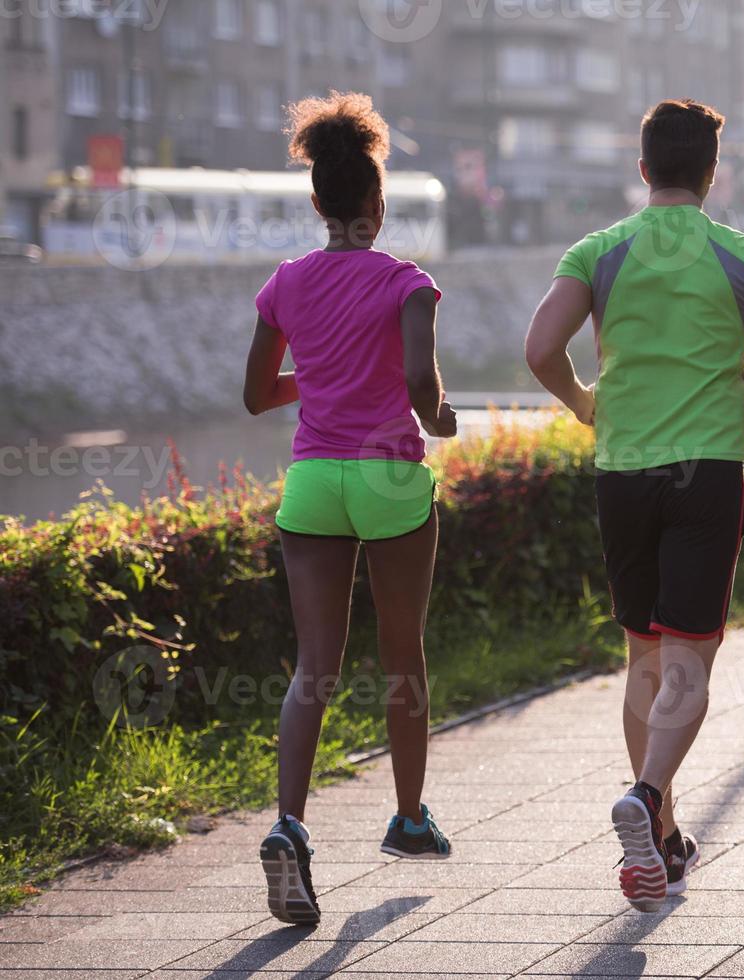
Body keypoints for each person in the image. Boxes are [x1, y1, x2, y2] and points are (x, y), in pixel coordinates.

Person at [525, 98, 744, 912]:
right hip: (706, 473)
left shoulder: (598, 252)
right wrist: (741, 380)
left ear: (643, 168)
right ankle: (647, 799)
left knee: (643, 658)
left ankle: (663, 841)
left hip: (622, 472)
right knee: (688, 660)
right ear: (710, 174)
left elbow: (540, 349)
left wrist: (584, 402)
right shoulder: (741, 255)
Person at [242, 91, 456, 925]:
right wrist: (440, 420)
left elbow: (257, 394)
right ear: (377, 204)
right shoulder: (409, 283)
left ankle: (290, 826)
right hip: (387, 479)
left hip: (311, 483)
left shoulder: (285, 282)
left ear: (317, 203)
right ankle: (407, 821)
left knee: (313, 668)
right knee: (402, 654)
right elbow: (418, 387)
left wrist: (322, 375)